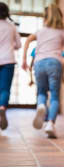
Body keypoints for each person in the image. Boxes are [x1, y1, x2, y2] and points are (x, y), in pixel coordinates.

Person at [22, 4, 64, 138]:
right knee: (55, 96)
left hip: (38, 63)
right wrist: (62, 61)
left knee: (41, 92)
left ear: (46, 17)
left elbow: (27, 41)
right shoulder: (62, 31)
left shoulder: (40, 31)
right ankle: (50, 123)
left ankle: (41, 105)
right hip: (54, 62)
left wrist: (24, 60)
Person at [0, 2, 21, 130]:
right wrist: (10, 45)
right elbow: (18, 44)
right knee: (5, 89)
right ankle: (2, 107)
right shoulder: (11, 27)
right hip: (8, 60)